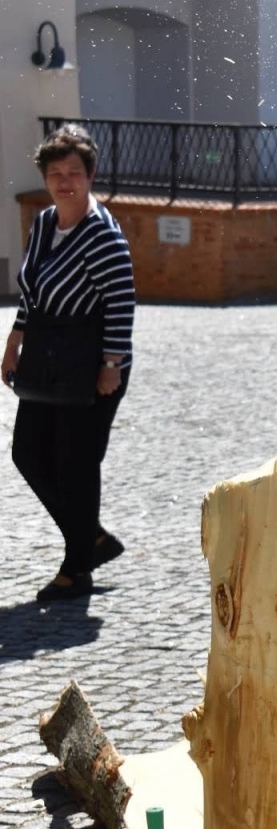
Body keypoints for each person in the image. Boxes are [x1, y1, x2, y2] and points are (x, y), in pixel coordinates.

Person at [3, 125, 136, 603]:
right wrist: (14, 339)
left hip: (93, 361)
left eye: (73, 173)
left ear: (90, 175)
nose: (64, 181)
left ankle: (77, 569)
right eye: (55, 173)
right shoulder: (43, 223)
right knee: (28, 454)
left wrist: (112, 364)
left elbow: (121, 301)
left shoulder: (101, 233)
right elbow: (33, 292)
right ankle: (92, 539)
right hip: (46, 357)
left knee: (76, 465)